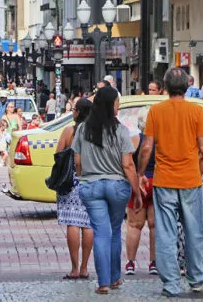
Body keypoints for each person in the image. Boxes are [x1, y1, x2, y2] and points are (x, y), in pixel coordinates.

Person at [137, 68, 203, 297]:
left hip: (164, 180)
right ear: (187, 86)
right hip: (190, 180)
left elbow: (147, 147)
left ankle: (171, 284)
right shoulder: (196, 112)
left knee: (166, 233)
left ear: (165, 87)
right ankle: (196, 278)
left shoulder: (156, 111)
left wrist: (140, 173)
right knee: (194, 230)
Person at [72, 86, 142, 295]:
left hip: (91, 186)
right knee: (114, 231)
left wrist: (84, 176)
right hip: (117, 186)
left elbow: (77, 160)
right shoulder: (120, 130)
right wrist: (137, 191)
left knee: (101, 233)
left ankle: (102, 282)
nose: (118, 106)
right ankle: (114, 278)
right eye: (117, 103)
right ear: (112, 105)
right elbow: (128, 164)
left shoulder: (83, 129)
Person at [56, 98, 94, 280]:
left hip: (71, 180)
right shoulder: (95, 131)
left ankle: (74, 268)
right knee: (88, 224)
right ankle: (85, 267)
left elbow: (58, 154)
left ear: (78, 112)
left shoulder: (68, 131)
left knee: (73, 222)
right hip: (91, 178)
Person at [125, 106, 158, 277]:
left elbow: (128, 163)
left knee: (134, 225)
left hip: (139, 182)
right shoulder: (160, 140)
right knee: (154, 225)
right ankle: (154, 262)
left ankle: (130, 263)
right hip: (157, 182)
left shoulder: (136, 139)